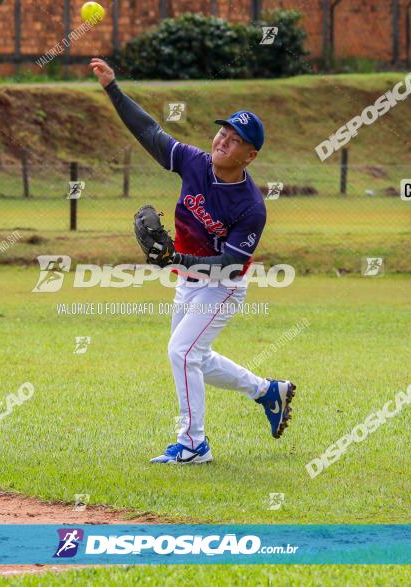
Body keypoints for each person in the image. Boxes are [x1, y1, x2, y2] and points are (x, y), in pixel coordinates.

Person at [90, 57, 296, 463]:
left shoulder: (251, 206)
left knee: (182, 353)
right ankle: (267, 391)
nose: (222, 140)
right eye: (222, 131)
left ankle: (192, 444)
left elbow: (229, 266)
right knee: (193, 355)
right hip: (188, 278)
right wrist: (113, 88)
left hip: (223, 285)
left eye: (234, 139)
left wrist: (175, 258)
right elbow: (150, 132)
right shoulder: (195, 162)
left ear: (249, 156)